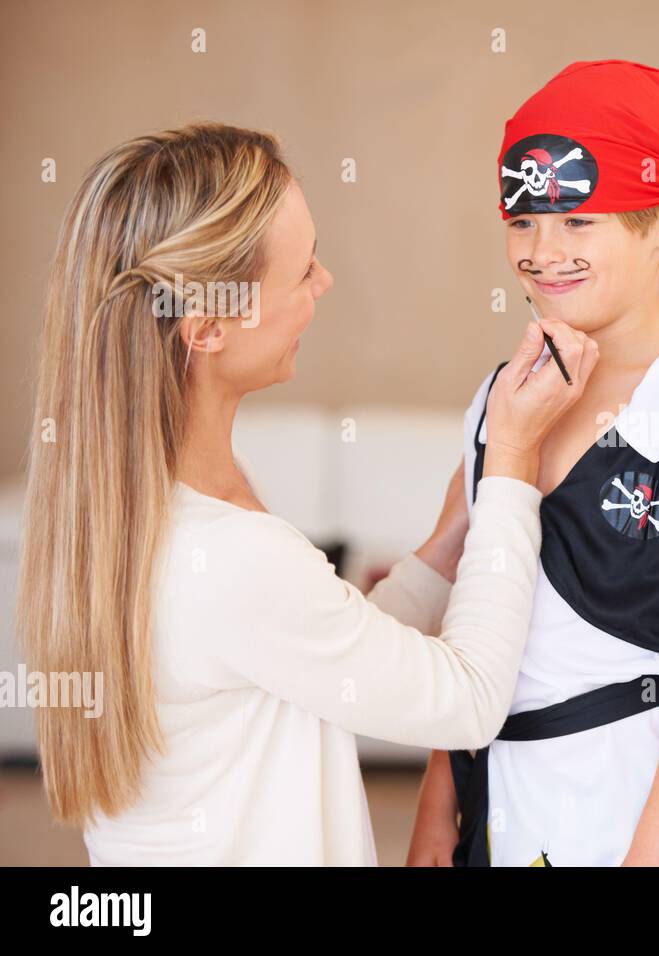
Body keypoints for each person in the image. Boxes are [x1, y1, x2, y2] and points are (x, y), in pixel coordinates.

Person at [16, 123, 599, 865]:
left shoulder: (148, 510)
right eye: (302, 271)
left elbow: (315, 655)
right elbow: (468, 699)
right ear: (208, 330)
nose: (323, 282)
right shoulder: (230, 555)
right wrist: (513, 462)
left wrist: (452, 538)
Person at [406, 60, 659, 867]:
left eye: (579, 222)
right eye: (524, 220)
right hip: (496, 804)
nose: (543, 253)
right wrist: (439, 808)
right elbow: (468, 609)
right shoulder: (503, 398)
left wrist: (651, 858)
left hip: (627, 810)